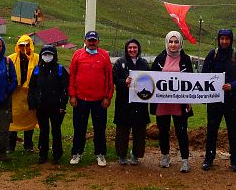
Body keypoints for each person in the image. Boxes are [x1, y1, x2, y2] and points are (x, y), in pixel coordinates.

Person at [201, 29, 236, 172]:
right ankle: (209, 159)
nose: (224, 42)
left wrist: (232, 85)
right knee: (212, 130)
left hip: (231, 100)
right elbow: (204, 74)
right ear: (218, 40)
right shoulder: (212, 55)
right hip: (214, 100)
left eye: (227, 39)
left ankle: (234, 160)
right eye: (222, 39)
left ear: (231, 40)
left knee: (233, 130)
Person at [68, 31, 114, 167]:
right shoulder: (77, 54)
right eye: (89, 40)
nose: (92, 42)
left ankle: (100, 154)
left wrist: (107, 96)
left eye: (94, 40)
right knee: (79, 128)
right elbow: (72, 76)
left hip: (99, 100)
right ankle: (77, 153)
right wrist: (72, 95)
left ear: (98, 41)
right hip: (81, 99)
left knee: (100, 129)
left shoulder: (104, 55)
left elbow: (109, 78)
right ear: (85, 41)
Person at [150, 31, 194, 173]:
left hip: (179, 103)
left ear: (180, 43)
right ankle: (165, 156)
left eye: (176, 42)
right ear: (167, 42)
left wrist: (189, 100)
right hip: (162, 103)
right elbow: (152, 80)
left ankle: (185, 160)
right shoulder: (159, 59)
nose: (173, 45)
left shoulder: (186, 59)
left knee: (181, 132)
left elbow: (191, 81)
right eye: (171, 42)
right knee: (163, 131)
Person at [27, 45, 69, 164]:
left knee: (56, 130)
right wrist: (32, 104)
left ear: (54, 55)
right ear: (41, 56)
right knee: (43, 131)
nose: (47, 57)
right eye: (45, 54)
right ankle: (42, 154)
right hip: (41, 107)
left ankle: (57, 155)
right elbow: (32, 88)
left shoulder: (60, 69)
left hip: (56, 107)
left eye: (49, 54)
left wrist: (63, 105)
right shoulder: (37, 69)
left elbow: (65, 89)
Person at [112, 39, 151, 165]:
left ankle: (136, 154)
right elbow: (114, 79)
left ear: (138, 49)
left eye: (135, 47)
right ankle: (121, 155)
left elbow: (150, 79)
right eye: (130, 48)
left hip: (140, 103)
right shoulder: (119, 62)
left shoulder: (144, 63)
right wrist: (124, 82)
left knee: (139, 131)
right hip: (124, 102)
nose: (132, 50)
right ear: (126, 49)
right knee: (122, 130)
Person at [7, 35, 39, 153]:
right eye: (21, 45)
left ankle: (28, 145)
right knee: (13, 120)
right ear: (17, 46)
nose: (24, 48)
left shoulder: (37, 58)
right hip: (15, 95)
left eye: (27, 45)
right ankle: (10, 145)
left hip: (30, 94)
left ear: (31, 45)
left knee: (29, 119)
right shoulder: (10, 59)